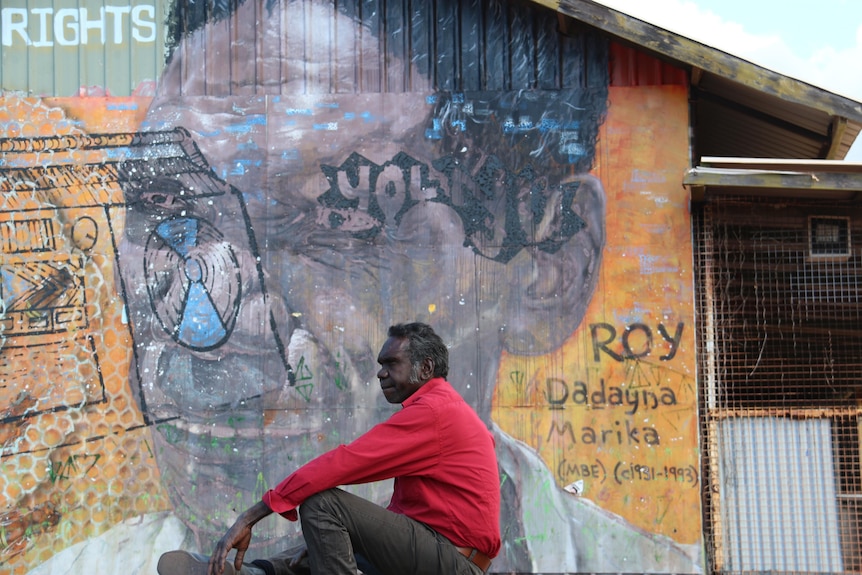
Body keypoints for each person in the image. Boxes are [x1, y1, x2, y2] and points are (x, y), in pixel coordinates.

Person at [156, 322, 501, 575]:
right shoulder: (441, 411)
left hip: (454, 563)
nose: (380, 374)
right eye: (380, 364)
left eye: (391, 363)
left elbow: (345, 462)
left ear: (425, 368)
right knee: (316, 546)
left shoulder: (435, 413)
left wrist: (253, 515)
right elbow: (406, 517)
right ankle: (254, 573)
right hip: (436, 552)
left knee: (322, 503)